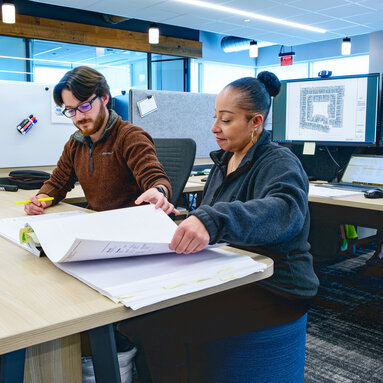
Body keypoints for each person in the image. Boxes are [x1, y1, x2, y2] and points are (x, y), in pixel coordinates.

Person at [118, 72, 320, 382]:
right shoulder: (225, 160)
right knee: (140, 312)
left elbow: (286, 210)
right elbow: (212, 217)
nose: (214, 128)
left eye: (225, 120)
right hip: (232, 271)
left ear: (255, 122)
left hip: (276, 286)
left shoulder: (279, 161)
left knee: (158, 323)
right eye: (216, 118)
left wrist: (212, 220)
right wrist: (174, 216)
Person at [24, 66, 176, 216]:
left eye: (84, 106)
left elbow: (154, 177)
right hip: (97, 222)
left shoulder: (130, 136)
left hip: (132, 225)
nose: (79, 117)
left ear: (104, 98)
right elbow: (57, 183)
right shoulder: (76, 143)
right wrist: (40, 200)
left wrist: (158, 190)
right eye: (71, 110)